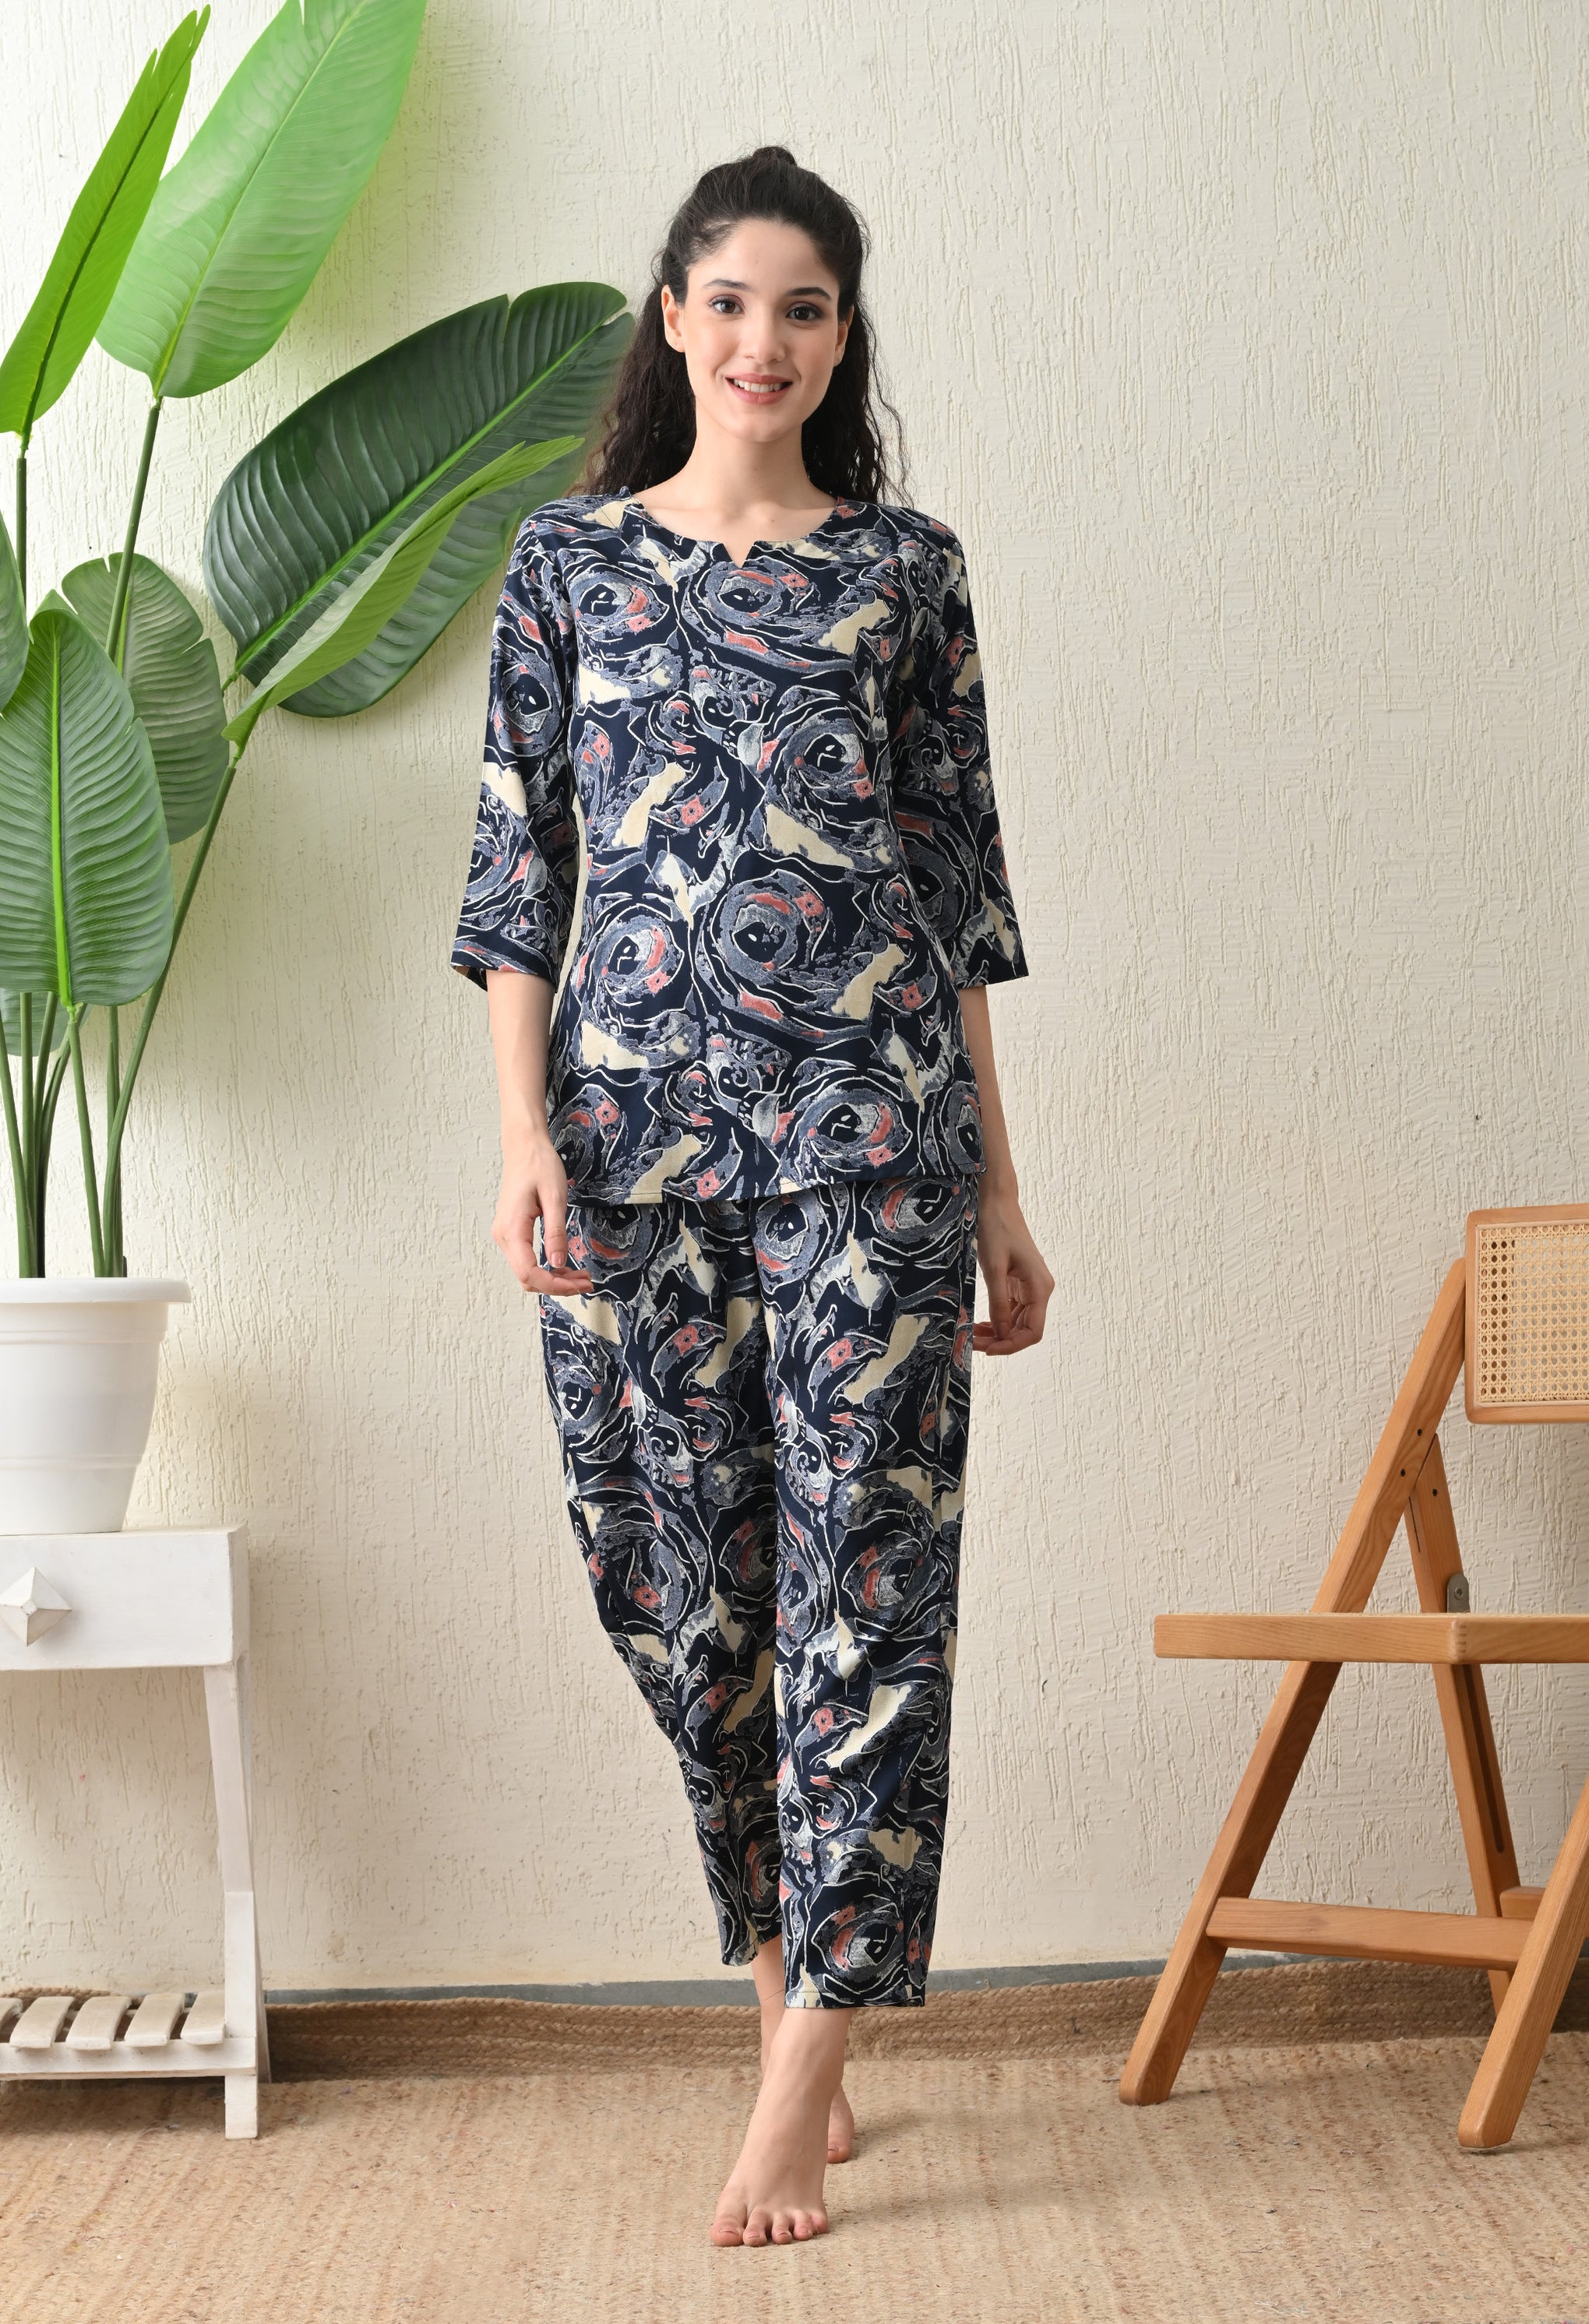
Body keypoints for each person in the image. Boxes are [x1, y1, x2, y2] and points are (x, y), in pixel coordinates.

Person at [451, 144, 1052, 2248]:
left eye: (804, 308)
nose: (764, 342)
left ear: (841, 337)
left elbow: (960, 900)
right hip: (629, 1155)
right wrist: (524, 1138)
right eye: (730, 301)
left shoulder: (906, 572)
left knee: (866, 1597)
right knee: (679, 1581)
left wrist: (1000, 1190)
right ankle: (793, 1970)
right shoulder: (566, 566)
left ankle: (798, 2084)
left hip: (875, 1147)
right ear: (674, 319)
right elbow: (519, 874)